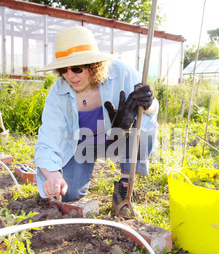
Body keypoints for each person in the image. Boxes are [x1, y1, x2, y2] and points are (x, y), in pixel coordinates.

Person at [34, 25, 158, 216]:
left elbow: (152, 111)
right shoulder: (58, 93)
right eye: (63, 70)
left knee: (144, 129)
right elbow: (47, 139)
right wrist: (53, 175)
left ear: (94, 65)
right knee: (66, 194)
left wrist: (147, 104)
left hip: (119, 138)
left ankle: (124, 188)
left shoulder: (122, 74)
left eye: (76, 68)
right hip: (82, 146)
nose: (70, 76)